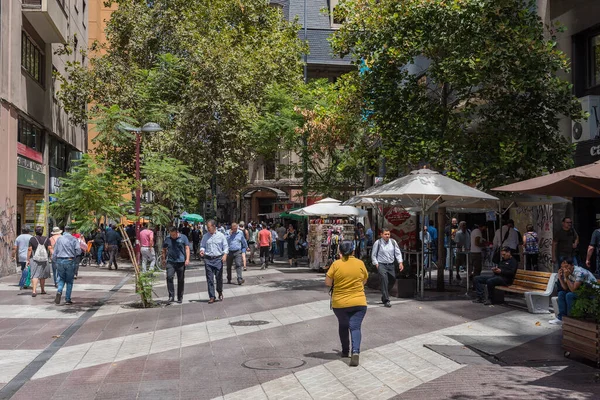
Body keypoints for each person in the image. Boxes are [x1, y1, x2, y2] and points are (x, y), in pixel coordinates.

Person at [325, 240, 368, 367]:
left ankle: (345, 351)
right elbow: (364, 280)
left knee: (343, 325)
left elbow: (327, 282)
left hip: (340, 303)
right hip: (359, 301)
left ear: (340, 252)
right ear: (353, 251)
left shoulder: (336, 264)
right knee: (355, 327)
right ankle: (355, 352)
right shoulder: (360, 263)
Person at [549, 257, 597, 325]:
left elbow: (573, 289)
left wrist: (566, 277)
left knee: (569, 295)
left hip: (591, 293)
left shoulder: (580, 272)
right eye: (563, 267)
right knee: (561, 293)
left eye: (566, 266)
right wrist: (560, 278)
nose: (564, 269)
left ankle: (570, 319)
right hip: (581, 291)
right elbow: (565, 288)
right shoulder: (569, 273)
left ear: (571, 265)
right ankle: (561, 318)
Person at [371, 229, 404, 308]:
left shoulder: (393, 242)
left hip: (390, 265)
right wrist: (376, 264)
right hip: (381, 264)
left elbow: (397, 252)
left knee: (392, 280)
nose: (387, 236)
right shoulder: (378, 243)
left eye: (388, 234)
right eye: (385, 234)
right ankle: (386, 300)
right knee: (384, 279)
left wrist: (400, 262)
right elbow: (373, 255)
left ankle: (384, 294)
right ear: (381, 234)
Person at [200, 220, 229, 304]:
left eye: (209, 227)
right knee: (210, 279)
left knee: (219, 278)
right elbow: (202, 246)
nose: (207, 229)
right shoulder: (205, 236)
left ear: (214, 226)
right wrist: (202, 250)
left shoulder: (221, 236)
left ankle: (219, 291)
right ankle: (212, 296)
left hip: (218, 259)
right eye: (207, 227)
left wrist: (225, 255)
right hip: (208, 259)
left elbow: (226, 247)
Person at [52, 226, 81, 305]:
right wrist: (74, 256)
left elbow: (55, 251)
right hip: (69, 260)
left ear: (64, 231)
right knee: (69, 281)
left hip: (60, 260)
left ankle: (59, 291)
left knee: (61, 278)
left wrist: (54, 260)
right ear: (71, 231)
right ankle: (67, 298)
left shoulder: (59, 239)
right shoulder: (74, 239)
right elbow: (78, 251)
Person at [162, 226, 190, 303]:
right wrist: (163, 259)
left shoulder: (183, 237)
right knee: (169, 277)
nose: (172, 236)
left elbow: (187, 248)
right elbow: (164, 249)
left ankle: (180, 297)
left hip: (181, 261)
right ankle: (171, 296)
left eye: (174, 235)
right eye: (171, 235)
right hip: (170, 261)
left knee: (180, 279)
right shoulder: (167, 238)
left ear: (177, 232)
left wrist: (187, 259)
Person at [26, 226, 51, 297]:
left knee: (34, 275)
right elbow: (49, 248)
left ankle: (34, 291)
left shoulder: (32, 239)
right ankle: (42, 290)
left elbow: (30, 249)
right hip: (44, 259)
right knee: (42, 275)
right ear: (42, 231)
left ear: (35, 231)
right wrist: (52, 255)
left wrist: (27, 259)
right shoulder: (46, 239)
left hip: (34, 259)